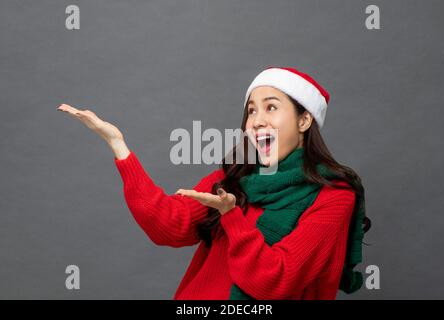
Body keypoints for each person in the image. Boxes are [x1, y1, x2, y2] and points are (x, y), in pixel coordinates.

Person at [57, 66, 371, 300]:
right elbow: (169, 224)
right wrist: (119, 147)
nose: (257, 120)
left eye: (271, 107)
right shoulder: (233, 178)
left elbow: (275, 281)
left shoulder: (333, 197)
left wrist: (232, 216)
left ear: (304, 120)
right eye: (251, 110)